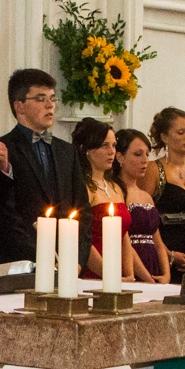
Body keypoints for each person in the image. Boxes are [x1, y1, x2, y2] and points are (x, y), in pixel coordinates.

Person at [0, 69, 90, 268]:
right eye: (41, 99)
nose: (50, 105)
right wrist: (42, 256)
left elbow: (82, 209)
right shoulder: (1, 149)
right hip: (22, 263)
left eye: (52, 98)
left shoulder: (67, 151)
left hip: (65, 261)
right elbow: (3, 214)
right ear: (19, 106)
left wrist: (76, 259)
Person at [140, 107, 185, 282]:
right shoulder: (154, 170)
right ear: (164, 137)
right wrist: (169, 254)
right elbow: (143, 218)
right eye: (181, 132)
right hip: (164, 256)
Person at [74, 118, 138, 282]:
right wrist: (110, 275)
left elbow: (124, 236)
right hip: (94, 272)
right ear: (86, 150)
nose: (112, 152)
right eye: (104, 145)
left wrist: (129, 274)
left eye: (114, 145)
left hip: (118, 273)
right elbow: (82, 240)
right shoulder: (82, 189)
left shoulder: (116, 188)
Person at [115, 128, 170, 283]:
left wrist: (166, 274)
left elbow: (158, 242)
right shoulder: (116, 192)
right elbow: (123, 240)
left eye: (147, 154)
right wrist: (147, 277)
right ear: (120, 157)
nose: (145, 160)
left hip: (153, 264)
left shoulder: (146, 196)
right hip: (130, 264)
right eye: (138, 154)